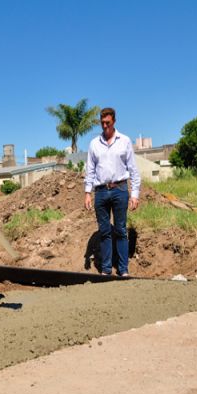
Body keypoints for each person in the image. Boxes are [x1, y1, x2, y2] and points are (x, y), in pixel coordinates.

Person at [84, 107, 140, 277]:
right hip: (100, 192)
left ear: (114, 121)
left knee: (121, 230)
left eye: (108, 122)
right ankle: (106, 269)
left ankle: (123, 269)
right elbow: (90, 170)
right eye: (102, 123)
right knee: (104, 231)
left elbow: (133, 170)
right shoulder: (94, 143)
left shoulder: (125, 141)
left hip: (120, 190)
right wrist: (87, 192)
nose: (105, 126)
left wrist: (135, 194)